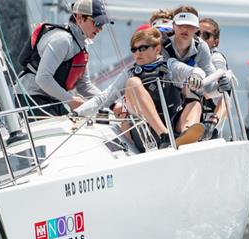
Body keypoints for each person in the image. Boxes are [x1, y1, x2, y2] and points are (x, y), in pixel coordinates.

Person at [74, 27, 205, 149]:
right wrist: (77, 113)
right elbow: (104, 97)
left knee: (195, 101)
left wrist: (196, 76)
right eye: (134, 49)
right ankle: (164, 137)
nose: (137, 53)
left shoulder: (170, 65)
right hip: (146, 133)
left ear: (157, 49)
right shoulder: (130, 72)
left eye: (142, 48)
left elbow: (195, 71)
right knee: (133, 82)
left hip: (173, 124)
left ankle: (187, 135)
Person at [15, 0, 112, 116]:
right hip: (31, 96)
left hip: (53, 99)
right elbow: (42, 78)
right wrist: (70, 100)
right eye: (97, 23)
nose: (100, 28)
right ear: (79, 18)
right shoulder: (62, 40)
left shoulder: (82, 44)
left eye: (103, 24)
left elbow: (84, 86)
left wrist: (110, 103)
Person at [199, 17, 232, 138]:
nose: (200, 38)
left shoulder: (216, 58)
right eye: (197, 33)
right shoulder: (192, 57)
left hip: (208, 123)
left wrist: (213, 121)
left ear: (215, 42)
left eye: (206, 35)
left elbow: (223, 93)